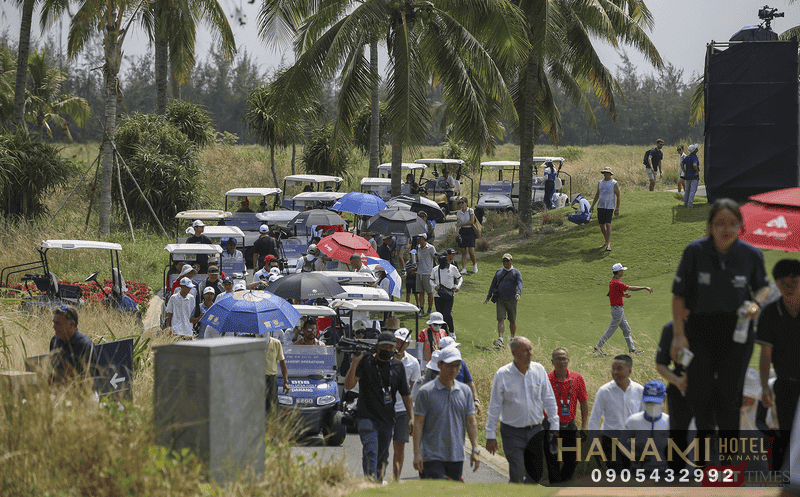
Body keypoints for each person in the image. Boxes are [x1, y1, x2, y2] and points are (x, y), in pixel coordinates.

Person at [670, 198, 770, 435]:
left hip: (736, 333)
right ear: (710, 227)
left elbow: (763, 287)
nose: (726, 229)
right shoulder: (695, 252)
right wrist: (678, 335)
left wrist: (756, 303)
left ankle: (728, 461)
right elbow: (678, 296)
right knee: (700, 394)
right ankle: (705, 459)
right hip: (700, 330)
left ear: (740, 227)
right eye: (720, 223)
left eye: (733, 223)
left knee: (729, 396)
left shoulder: (751, 255)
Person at [485, 337, 560, 483]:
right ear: (514, 352)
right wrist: (490, 434)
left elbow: (549, 399)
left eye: (531, 349)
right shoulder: (502, 375)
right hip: (512, 433)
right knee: (518, 472)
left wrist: (555, 426)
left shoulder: (539, 370)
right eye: (525, 350)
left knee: (534, 475)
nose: (530, 353)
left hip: (535, 431)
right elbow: (494, 407)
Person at [345, 331, 413, 483]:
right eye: (384, 347)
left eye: (391, 347)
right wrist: (355, 362)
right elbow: (349, 385)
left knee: (382, 457)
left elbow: (406, 395)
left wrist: (412, 418)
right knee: (371, 451)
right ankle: (371, 485)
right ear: (377, 347)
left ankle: (376, 482)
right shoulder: (366, 361)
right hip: (366, 417)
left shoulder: (398, 366)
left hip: (387, 420)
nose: (388, 350)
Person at [757, 259, 800, 471]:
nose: (788, 287)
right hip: (785, 386)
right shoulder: (770, 314)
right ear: (776, 284)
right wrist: (765, 386)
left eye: (794, 281)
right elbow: (765, 356)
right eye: (783, 282)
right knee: (788, 435)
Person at [413, 346, 480, 481]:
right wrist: (416, 453)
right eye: (449, 365)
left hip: (456, 455)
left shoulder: (465, 392)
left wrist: (475, 449)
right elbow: (418, 423)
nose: (454, 370)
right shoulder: (426, 392)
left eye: (457, 365)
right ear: (440, 365)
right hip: (432, 455)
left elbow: (471, 421)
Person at [587, 354, 644, 472]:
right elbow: (594, 419)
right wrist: (595, 445)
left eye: (619, 368)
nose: (615, 372)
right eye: (613, 368)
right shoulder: (604, 391)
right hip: (611, 442)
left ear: (630, 371)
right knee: (617, 477)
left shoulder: (640, 391)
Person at [544, 347, 589, 483]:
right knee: (553, 462)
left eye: (564, 358)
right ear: (552, 361)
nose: (561, 361)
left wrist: (584, 426)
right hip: (551, 427)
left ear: (568, 360)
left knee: (572, 461)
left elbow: (584, 403)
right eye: (558, 359)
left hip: (570, 426)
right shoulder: (546, 379)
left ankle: (561, 484)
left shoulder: (577, 378)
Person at [654, 320, 693, 471]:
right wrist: (677, 381)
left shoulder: (712, 323)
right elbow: (660, 364)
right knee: (678, 439)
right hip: (679, 392)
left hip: (709, 391)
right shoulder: (671, 328)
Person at [593, 263, 651, 356]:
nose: (623, 272)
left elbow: (611, 294)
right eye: (622, 270)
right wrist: (644, 287)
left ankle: (632, 350)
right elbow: (631, 288)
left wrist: (623, 295)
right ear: (618, 272)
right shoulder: (617, 282)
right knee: (611, 329)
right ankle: (598, 348)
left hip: (618, 309)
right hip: (617, 310)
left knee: (626, 329)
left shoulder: (613, 281)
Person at [391, 328, 421, 481]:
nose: (398, 344)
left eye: (401, 342)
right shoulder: (386, 359)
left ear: (408, 344)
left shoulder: (413, 363)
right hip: (385, 408)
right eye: (396, 341)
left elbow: (412, 391)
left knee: (399, 447)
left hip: (402, 410)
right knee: (380, 446)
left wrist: (412, 416)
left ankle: (395, 480)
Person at [624, 380, 670, 471]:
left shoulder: (670, 422)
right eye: (649, 402)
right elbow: (621, 443)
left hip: (664, 474)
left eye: (656, 402)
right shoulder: (632, 421)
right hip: (638, 474)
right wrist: (633, 455)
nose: (652, 406)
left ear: (664, 401)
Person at [484, 253, 522, 348]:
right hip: (500, 299)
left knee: (512, 320)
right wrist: (488, 297)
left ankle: (512, 339)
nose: (505, 263)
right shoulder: (499, 272)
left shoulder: (516, 272)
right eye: (504, 261)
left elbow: (519, 283)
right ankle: (500, 339)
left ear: (511, 261)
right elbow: (493, 285)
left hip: (512, 300)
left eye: (507, 261)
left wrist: (518, 293)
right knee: (500, 319)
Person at [50, 305, 97, 382]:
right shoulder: (54, 341)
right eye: (54, 323)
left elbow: (91, 379)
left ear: (72, 324)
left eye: (58, 323)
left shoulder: (85, 345)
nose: (54, 327)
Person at [439, 336, 480, 412]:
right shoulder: (434, 366)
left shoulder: (462, 364)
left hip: (460, 404)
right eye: (454, 348)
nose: (457, 350)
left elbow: (469, 382)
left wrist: (475, 399)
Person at [588, 166, 620, 251]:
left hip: (609, 206)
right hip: (600, 206)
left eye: (606, 172)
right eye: (604, 172)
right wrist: (592, 205)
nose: (605, 174)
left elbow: (618, 195)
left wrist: (617, 208)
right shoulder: (600, 182)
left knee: (608, 224)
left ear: (610, 174)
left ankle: (608, 243)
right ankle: (606, 240)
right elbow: (597, 194)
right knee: (601, 225)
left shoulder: (614, 183)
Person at [430, 253, 462, 336]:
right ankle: (444, 333)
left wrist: (457, 286)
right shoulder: (435, 269)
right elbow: (431, 280)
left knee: (447, 314)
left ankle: (452, 332)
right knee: (440, 316)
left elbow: (460, 278)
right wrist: (434, 286)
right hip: (438, 295)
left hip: (449, 295)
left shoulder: (453, 268)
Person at [265, 331, 290, 413]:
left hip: (271, 379)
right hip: (258, 379)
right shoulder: (254, 344)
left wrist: (285, 381)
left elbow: (282, 363)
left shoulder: (276, 343)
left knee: (273, 408)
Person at [414, 233, 437, 314]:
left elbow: (436, 258)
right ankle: (422, 308)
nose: (418, 239)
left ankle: (430, 308)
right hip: (419, 273)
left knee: (429, 292)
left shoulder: (431, 248)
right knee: (421, 292)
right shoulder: (418, 247)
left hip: (428, 273)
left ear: (423, 238)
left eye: (419, 238)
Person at [455, 198, 478, 274]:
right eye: (459, 203)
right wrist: (457, 232)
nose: (461, 204)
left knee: (471, 251)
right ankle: (464, 268)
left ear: (466, 203)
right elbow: (458, 223)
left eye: (462, 202)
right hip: (463, 231)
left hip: (470, 231)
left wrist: (461, 224)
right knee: (463, 251)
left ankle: (474, 264)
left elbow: (471, 222)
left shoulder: (470, 211)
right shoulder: (459, 213)